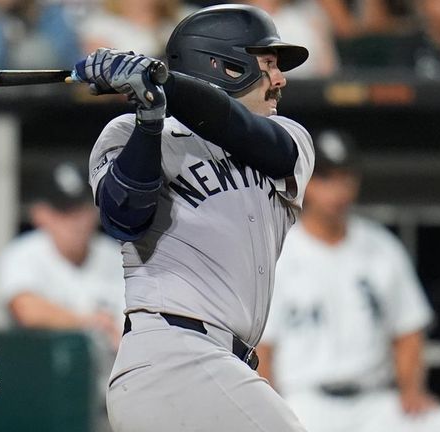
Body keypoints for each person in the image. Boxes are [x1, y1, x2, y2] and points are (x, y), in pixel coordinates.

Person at [72, 4, 315, 431]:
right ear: (225, 65)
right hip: (173, 355)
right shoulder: (129, 133)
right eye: (269, 65)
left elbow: (247, 135)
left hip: (218, 366)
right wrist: (150, 117)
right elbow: (123, 216)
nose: (281, 80)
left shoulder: (289, 138)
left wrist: (163, 82)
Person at [256, 130, 440, 432]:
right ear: (306, 181)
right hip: (305, 401)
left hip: (375, 403)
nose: (337, 190)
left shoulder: (381, 247)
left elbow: (408, 333)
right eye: (326, 178)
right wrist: (270, 406)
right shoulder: (281, 251)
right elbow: (262, 348)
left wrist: (412, 392)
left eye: (345, 177)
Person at [0, 159, 124, 432]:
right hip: (43, 405)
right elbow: (26, 309)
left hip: (108, 404)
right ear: (41, 214)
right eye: (63, 212)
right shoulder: (24, 254)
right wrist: (90, 322)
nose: (74, 222)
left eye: (80, 210)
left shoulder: (115, 256)